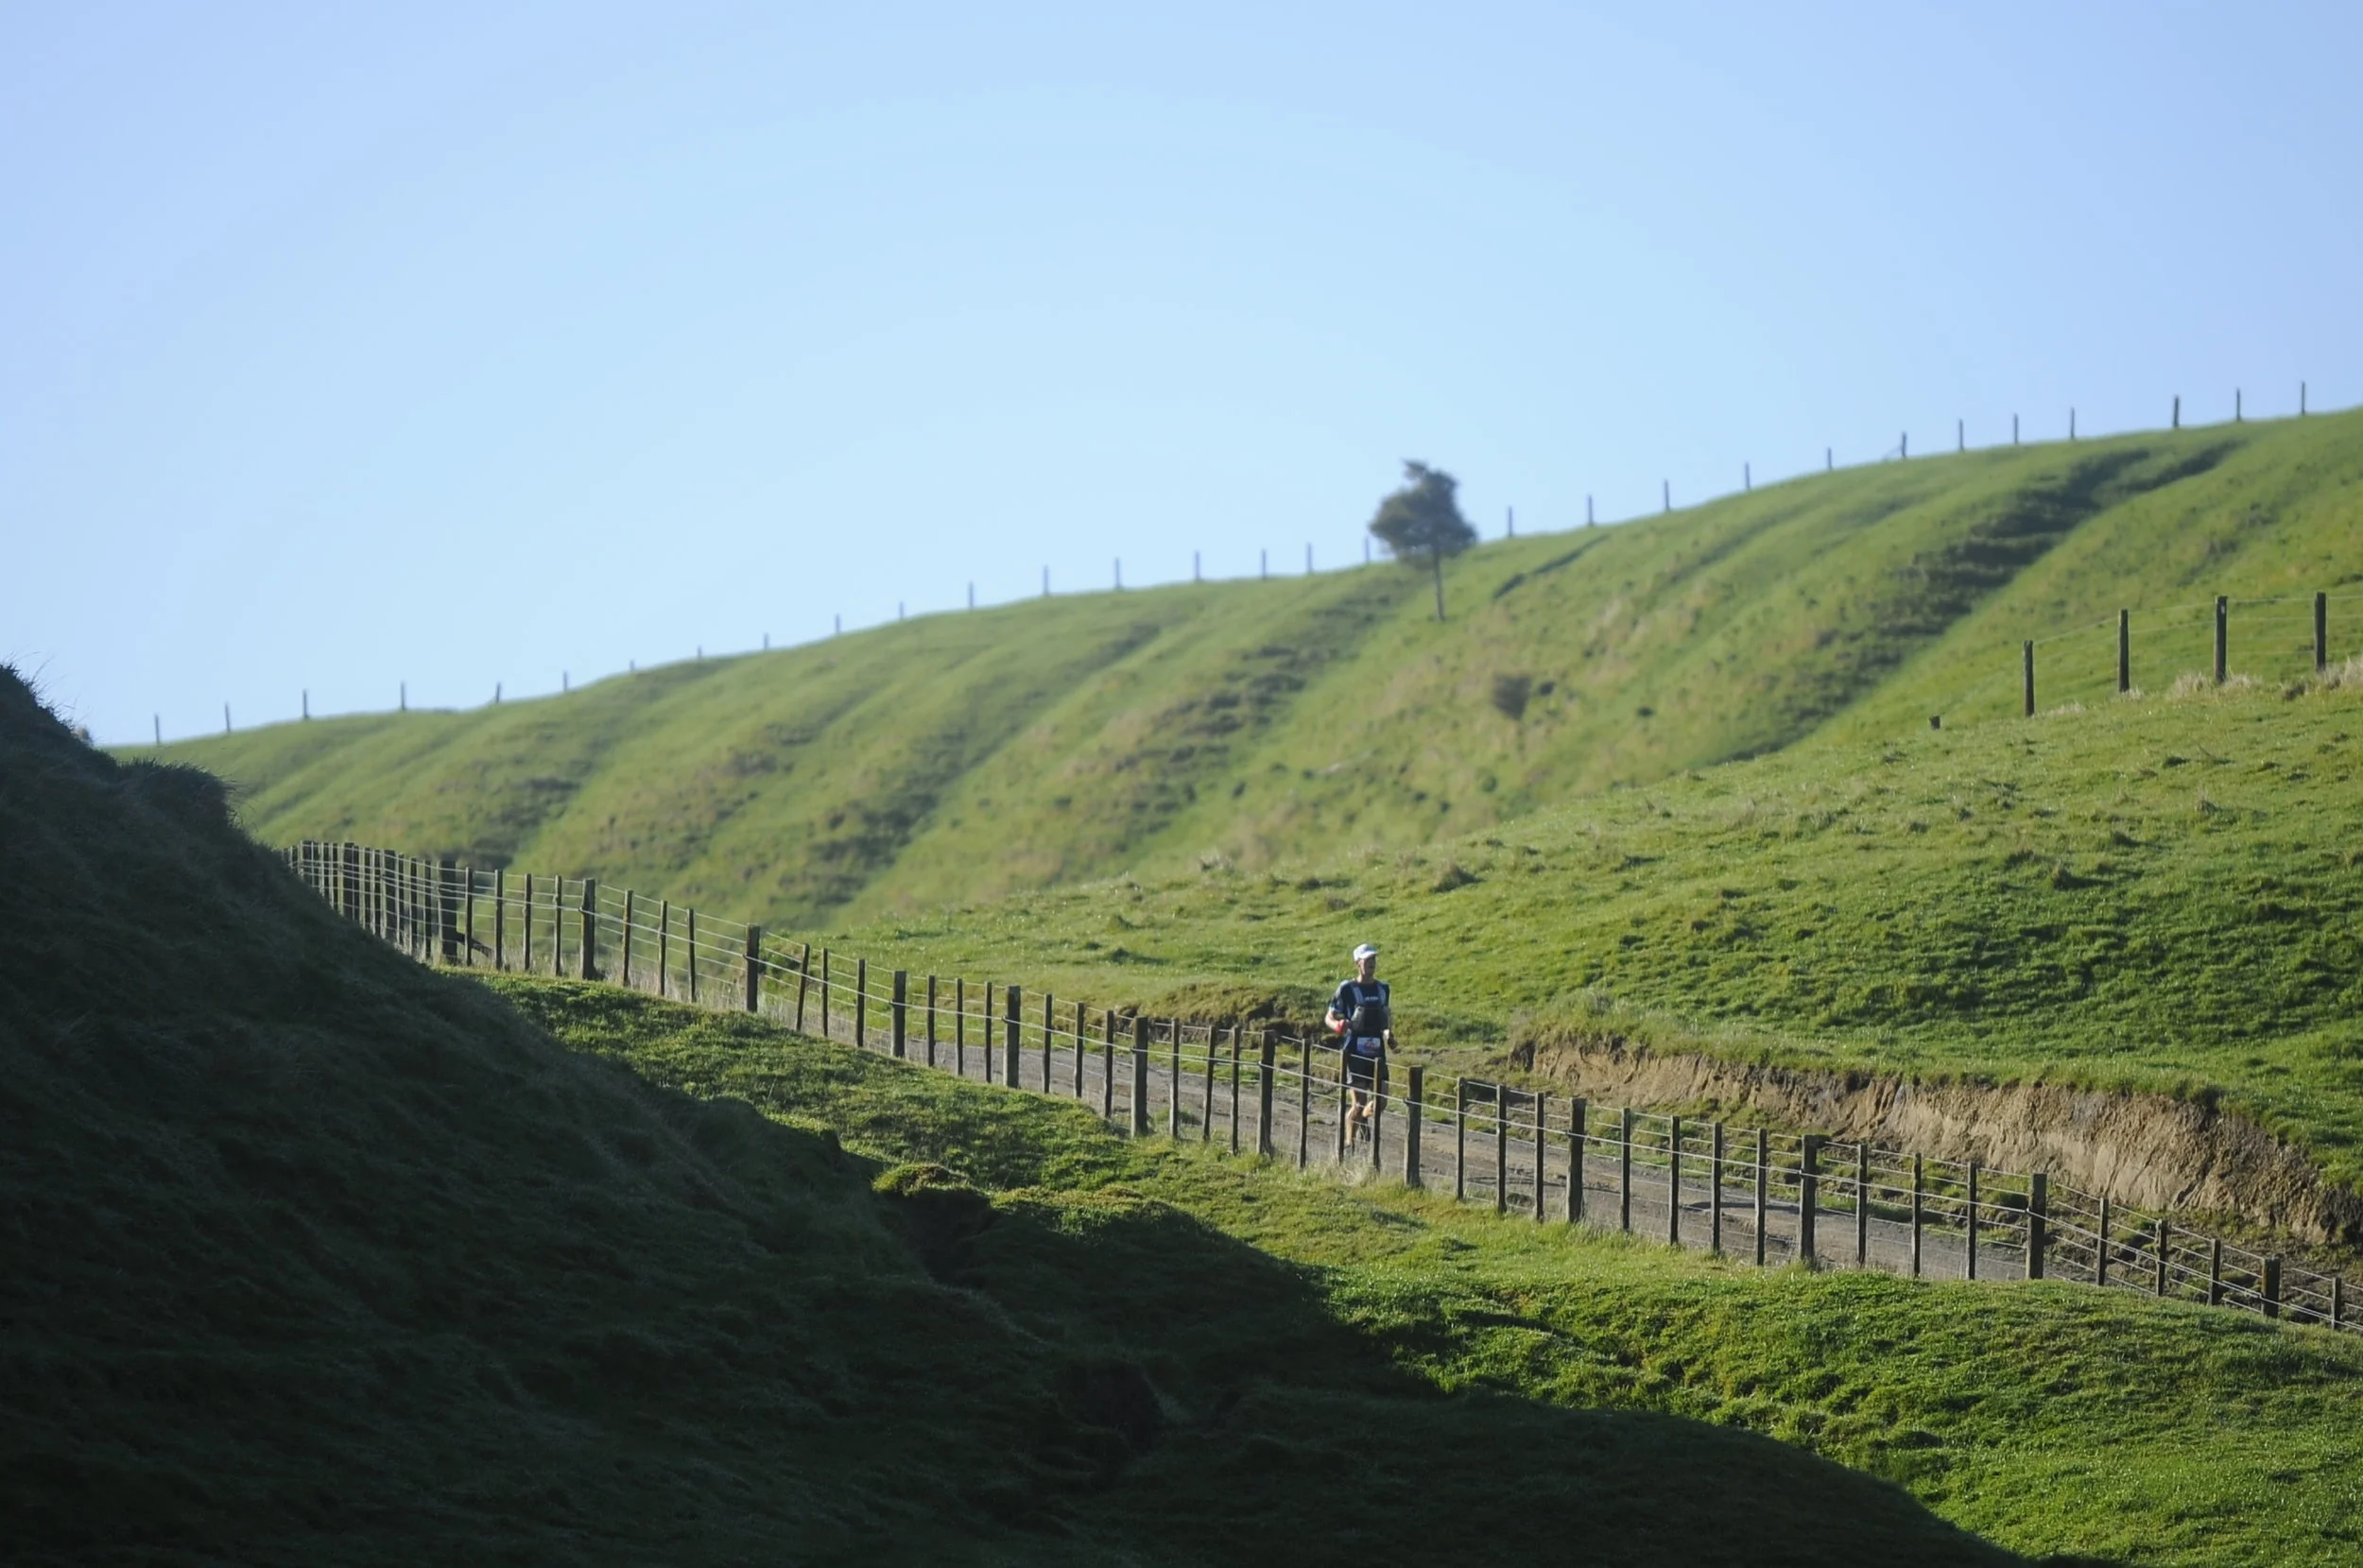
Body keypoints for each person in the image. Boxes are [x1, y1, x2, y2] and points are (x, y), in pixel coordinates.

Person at [1326, 942, 1391, 1147]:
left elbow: (1386, 1020)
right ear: (1357, 963)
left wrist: (1390, 1035)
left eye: (1374, 959)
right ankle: (1349, 1142)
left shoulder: (1383, 989)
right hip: (1355, 1051)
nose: (1372, 963)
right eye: (1367, 960)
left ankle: (1363, 1117)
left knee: (1381, 1101)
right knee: (1359, 1102)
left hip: (1378, 1052)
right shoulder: (1347, 989)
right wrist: (1338, 1025)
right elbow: (1329, 1016)